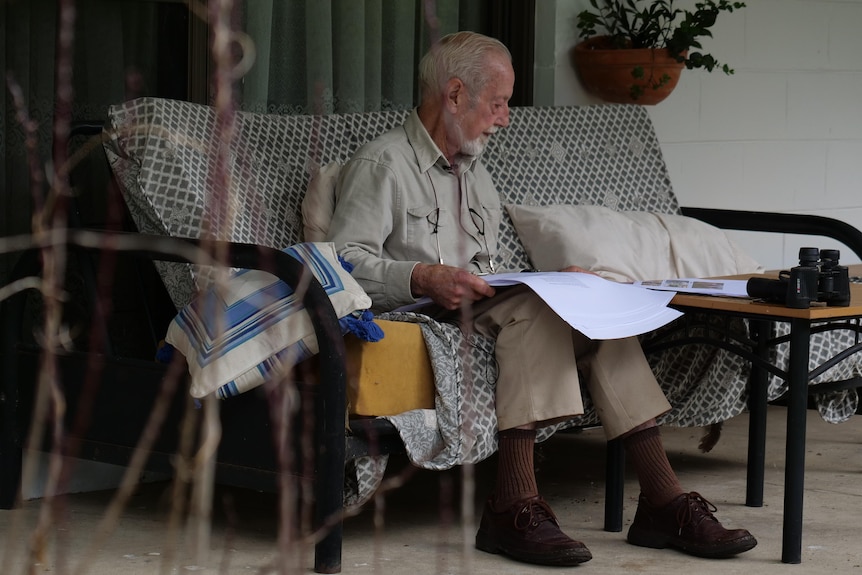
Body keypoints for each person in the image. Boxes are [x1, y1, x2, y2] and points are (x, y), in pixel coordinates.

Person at [326, 31, 756, 567]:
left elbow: (487, 272)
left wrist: (554, 278)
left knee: (587, 301)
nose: (504, 119)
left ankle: (662, 501)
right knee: (535, 311)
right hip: (421, 316)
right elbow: (340, 264)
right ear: (455, 93)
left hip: (480, 308)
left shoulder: (473, 170)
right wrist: (421, 276)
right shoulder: (383, 165)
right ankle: (513, 503)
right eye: (499, 103)